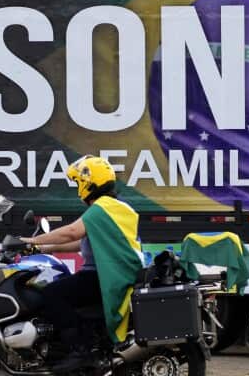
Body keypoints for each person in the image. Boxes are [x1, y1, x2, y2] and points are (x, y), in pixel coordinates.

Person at [20, 155, 144, 372]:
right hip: (110, 274)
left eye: (78, 182)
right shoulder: (112, 207)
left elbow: (70, 232)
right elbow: (80, 242)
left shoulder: (103, 207)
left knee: (52, 294)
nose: (78, 187)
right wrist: (41, 249)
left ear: (89, 182)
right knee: (62, 286)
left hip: (103, 277)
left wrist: (32, 240)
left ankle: (80, 350)